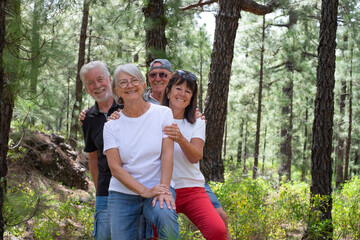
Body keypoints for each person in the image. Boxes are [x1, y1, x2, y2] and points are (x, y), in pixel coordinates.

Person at [145, 59, 231, 240]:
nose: (182, 94)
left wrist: (180, 138)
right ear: (168, 91)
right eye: (178, 88)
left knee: (218, 230)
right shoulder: (153, 117)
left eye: (188, 91)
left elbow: (195, 156)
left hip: (192, 188)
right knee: (159, 235)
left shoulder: (197, 121)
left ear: (191, 98)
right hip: (164, 188)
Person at [103, 63, 180, 240]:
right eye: (123, 83)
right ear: (117, 91)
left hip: (157, 187)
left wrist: (164, 189)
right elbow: (115, 168)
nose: (129, 86)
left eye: (134, 80)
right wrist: (143, 190)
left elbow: (167, 154)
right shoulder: (111, 126)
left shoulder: (163, 113)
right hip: (122, 194)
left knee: (165, 215)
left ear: (143, 85)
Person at [79, 61, 119, 240]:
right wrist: (98, 190)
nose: (97, 86)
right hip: (106, 189)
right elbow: (93, 157)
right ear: (87, 89)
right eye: (90, 83)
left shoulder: (128, 108)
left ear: (110, 80)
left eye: (100, 79)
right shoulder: (88, 118)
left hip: (135, 188)